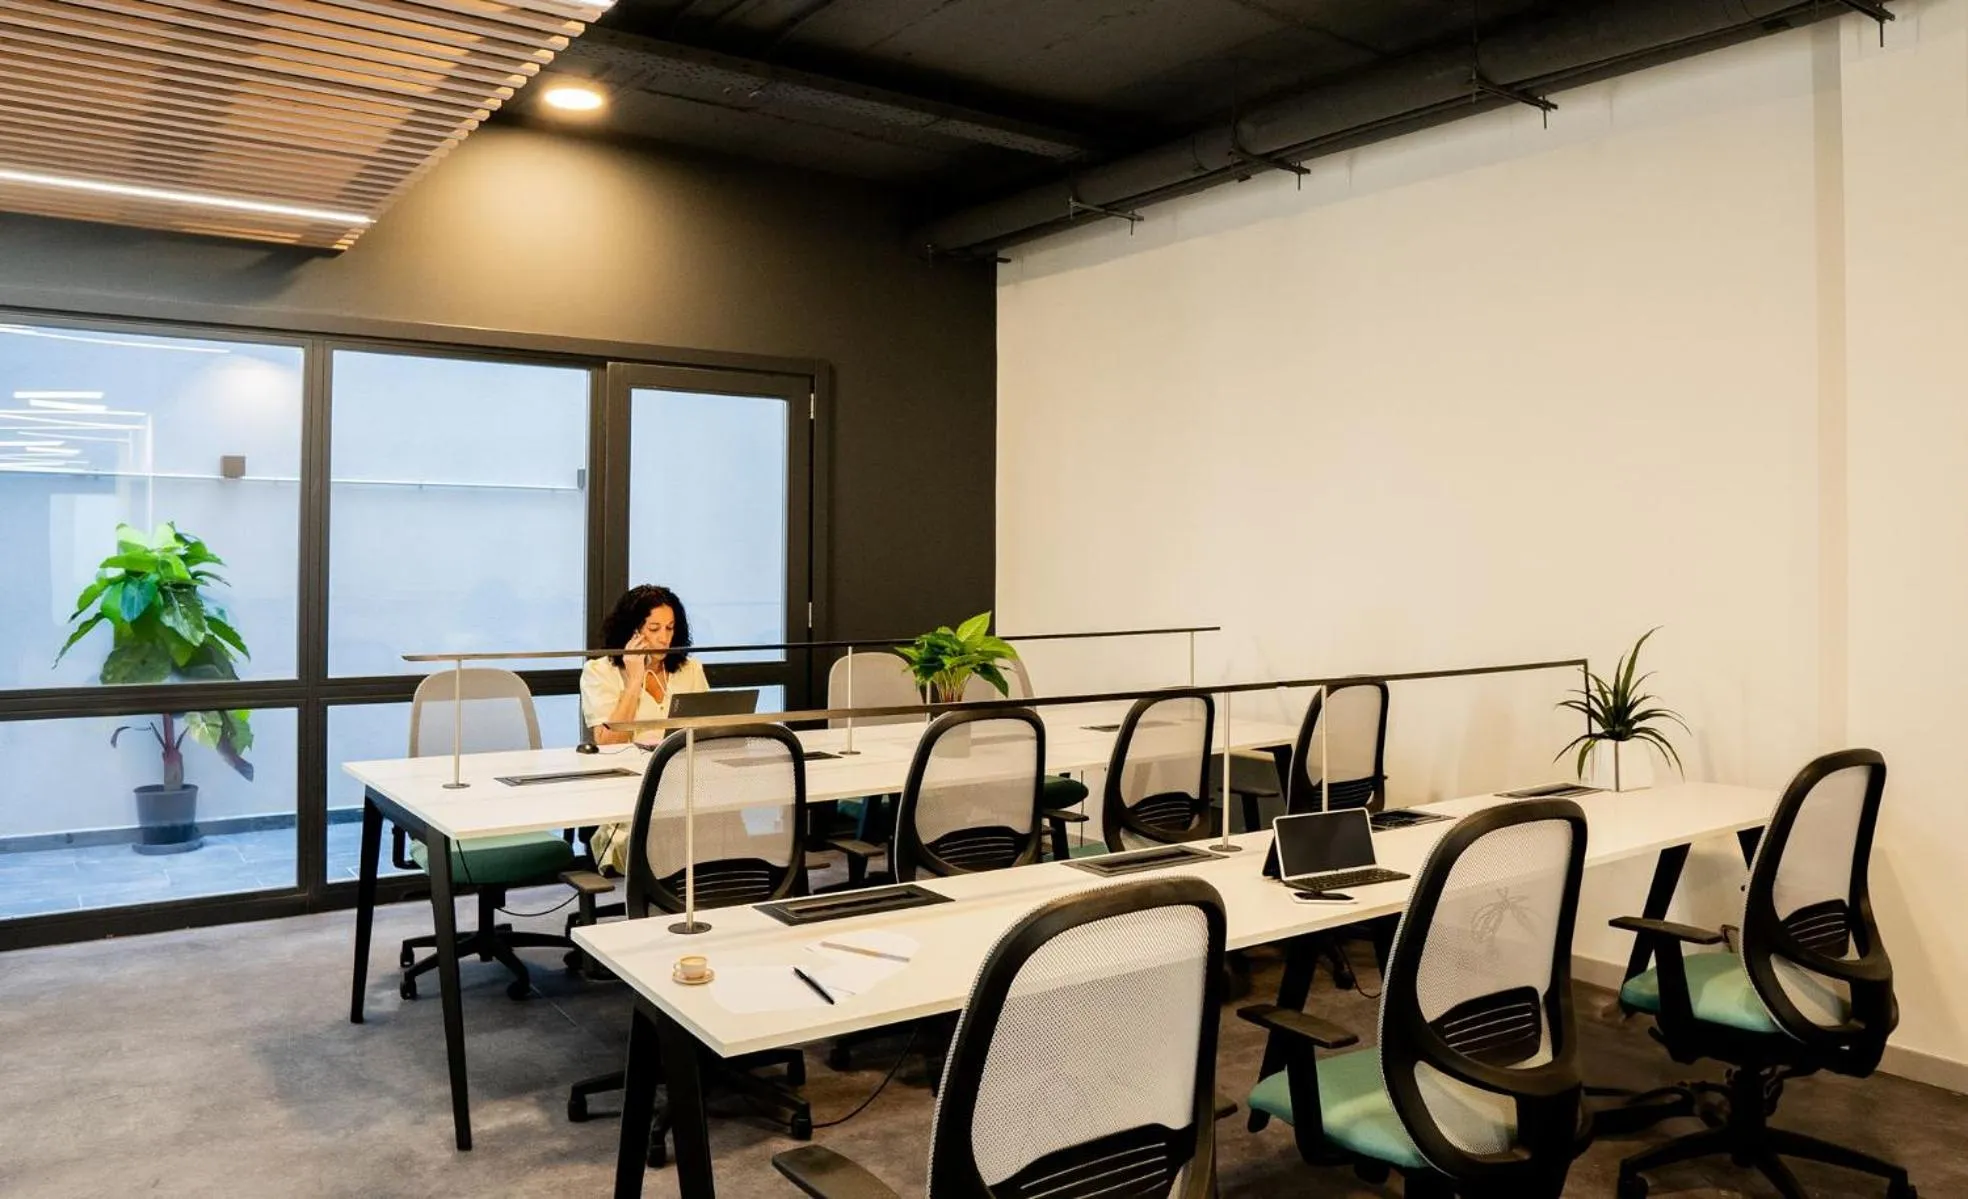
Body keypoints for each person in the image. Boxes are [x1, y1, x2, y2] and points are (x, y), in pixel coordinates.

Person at [580, 584, 709, 873]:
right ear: (633, 632)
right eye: (654, 629)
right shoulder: (600, 672)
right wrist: (635, 679)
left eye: (670, 628)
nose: (664, 638)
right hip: (631, 799)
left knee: (725, 824)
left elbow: (707, 730)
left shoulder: (690, 670)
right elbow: (609, 741)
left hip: (686, 788)